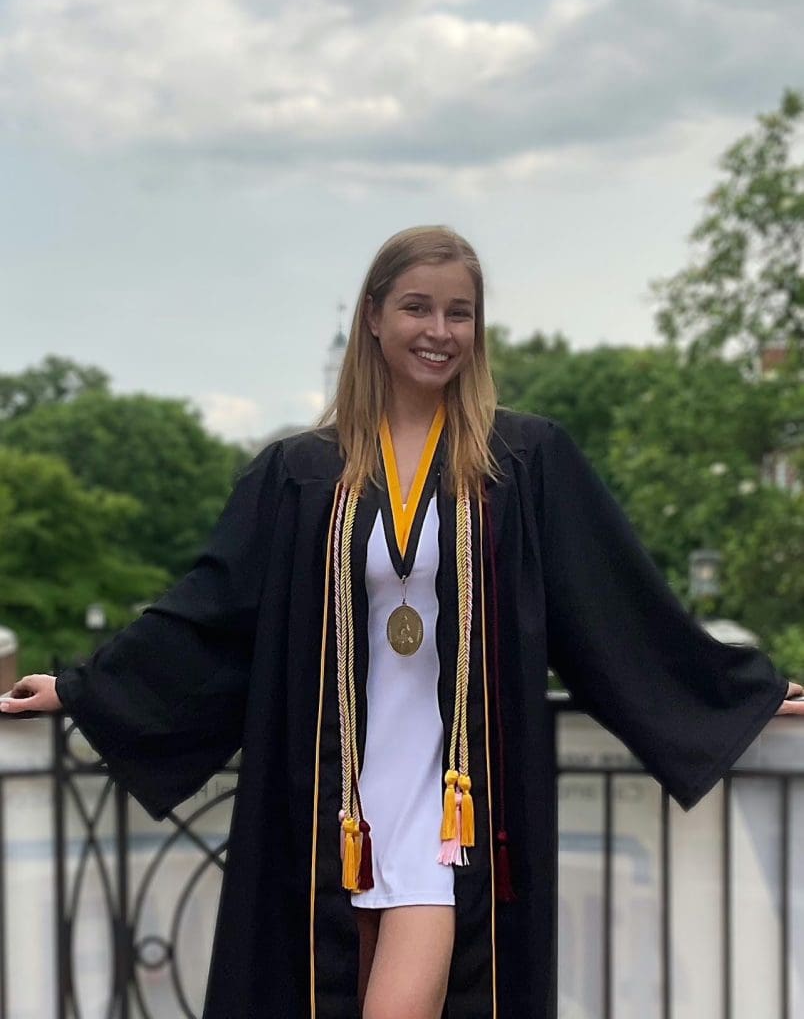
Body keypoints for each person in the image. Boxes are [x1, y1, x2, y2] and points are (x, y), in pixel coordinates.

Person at [2, 224, 803, 1019]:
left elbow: (619, 607)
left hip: (452, 798)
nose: (440, 332)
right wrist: (85, 689)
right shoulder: (301, 474)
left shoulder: (522, 465)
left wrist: (743, 694)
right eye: (418, 308)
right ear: (374, 317)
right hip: (333, 794)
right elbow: (213, 615)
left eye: (460, 313)